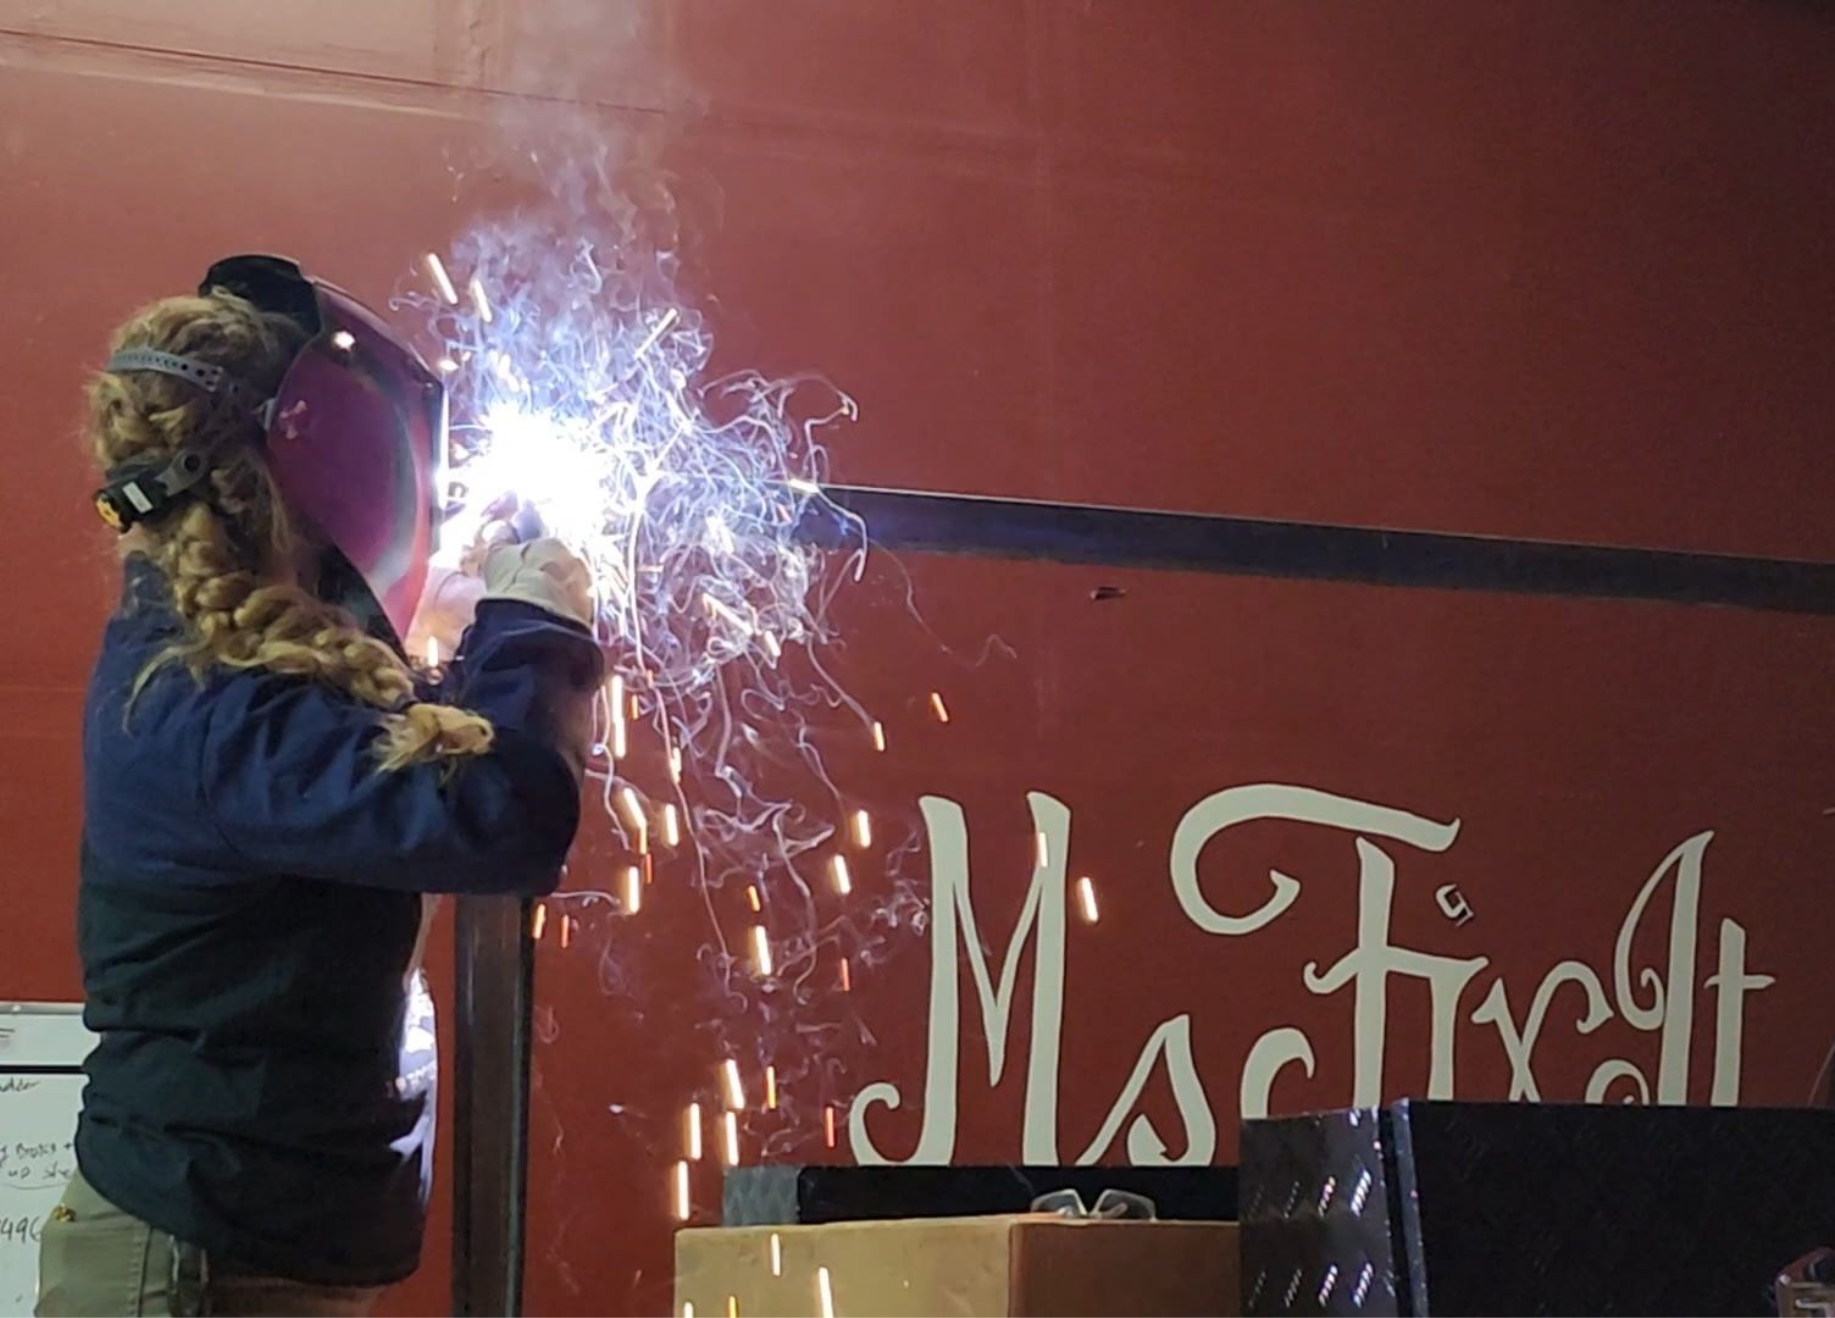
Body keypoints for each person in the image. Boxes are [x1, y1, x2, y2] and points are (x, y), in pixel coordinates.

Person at [36, 257, 602, 1317]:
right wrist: (539, 630)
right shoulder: (213, 709)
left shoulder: (218, 672)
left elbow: (376, 766)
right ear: (311, 458)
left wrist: (462, 646)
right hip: (200, 1268)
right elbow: (500, 819)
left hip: (236, 1251)